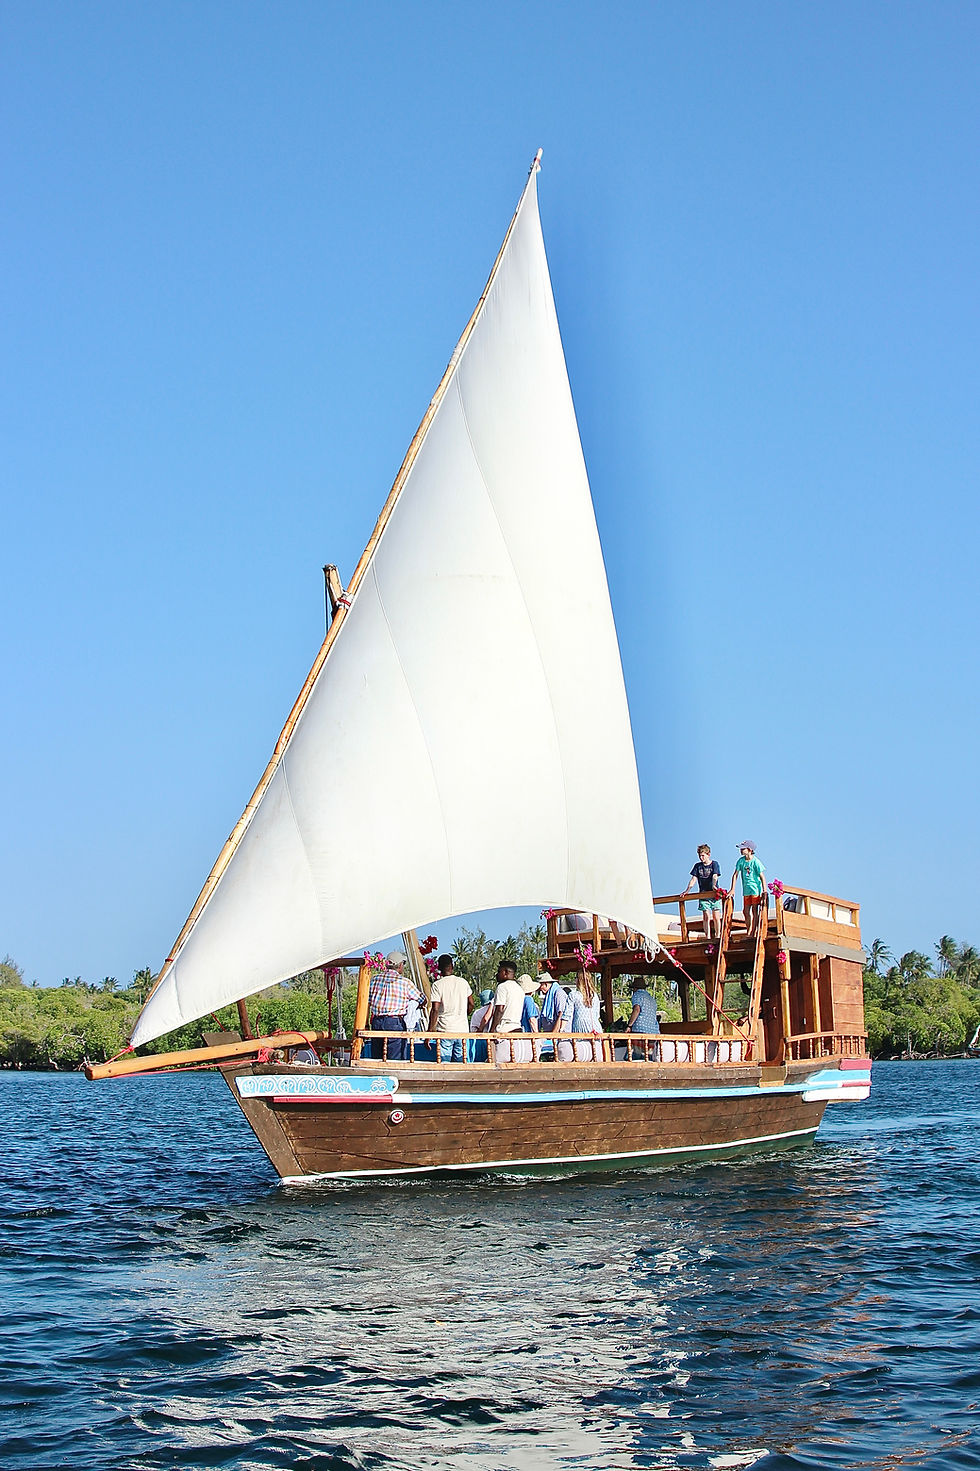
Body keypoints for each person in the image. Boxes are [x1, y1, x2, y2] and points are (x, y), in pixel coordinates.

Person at [368, 950, 422, 1061]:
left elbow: (367, 1002)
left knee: (377, 1059)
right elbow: (422, 999)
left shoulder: (375, 980)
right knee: (395, 1059)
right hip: (394, 1022)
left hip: (377, 1022)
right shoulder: (404, 982)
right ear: (400, 965)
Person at [428, 954, 472, 1063]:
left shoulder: (437, 985)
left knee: (445, 1065)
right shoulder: (463, 982)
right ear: (452, 966)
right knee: (461, 1065)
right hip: (462, 1030)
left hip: (445, 1029)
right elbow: (471, 1004)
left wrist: (429, 1032)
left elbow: (435, 1010)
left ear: (438, 968)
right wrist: (462, 1014)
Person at [558, 972, 603, 1062]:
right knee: (594, 1051)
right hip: (595, 1026)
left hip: (580, 1026)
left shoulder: (573, 995)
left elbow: (567, 1014)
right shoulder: (595, 996)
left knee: (580, 1051)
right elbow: (597, 1014)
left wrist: (561, 1030)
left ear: (578, 980)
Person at [488, 960, 525, 1062]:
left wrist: (492, 1031)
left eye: (499, 971)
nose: (497, 974)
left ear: (505, 973)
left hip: (504, 1032)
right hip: (517, 1030)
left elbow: (499, 1010)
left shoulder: (502, 987)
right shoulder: (520, 989)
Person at [685, 843, 723, 939]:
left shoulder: (714, 864)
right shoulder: (697, 866)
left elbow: (715, 876)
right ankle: (708, 936)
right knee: (706, 915)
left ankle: (718, 935)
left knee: (716, 915)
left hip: (714, 894)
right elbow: (694, 879)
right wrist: (687, 890)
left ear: (708, 854)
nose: (701, 858)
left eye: (703, 855)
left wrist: (714, 885)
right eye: (700, 856)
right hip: (703, 894)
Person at [730, 840, 767, 937]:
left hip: (755, 889)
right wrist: (732, 889)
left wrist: (764, 891)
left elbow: (762, 877)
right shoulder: (741, 861)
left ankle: (752, 932)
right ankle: (749, 929)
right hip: (746, 890)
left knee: (754, 910)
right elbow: (735, 875)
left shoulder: (755, 861)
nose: (741, 850)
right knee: (746, 911)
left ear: (750, 850)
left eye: (743, 849)